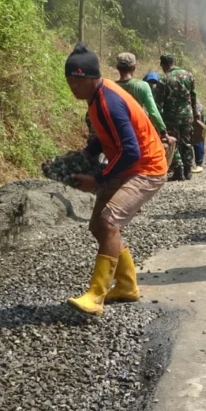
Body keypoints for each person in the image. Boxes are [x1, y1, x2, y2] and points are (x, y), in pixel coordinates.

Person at [64, 43, 169, 316]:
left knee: (109, 221)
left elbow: (131, 150)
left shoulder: (109, 101)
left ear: (92, 77)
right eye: (69, 81)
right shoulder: (96, 99)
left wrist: (98, 178)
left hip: (147, 168)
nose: (73, 86)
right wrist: (87, 154)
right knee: (98, 227)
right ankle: (126, 286)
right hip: (126, 165)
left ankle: (96, 295)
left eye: (78, 80)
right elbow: (104, 135)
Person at [157, 53, 199, 181]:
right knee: (187, 141)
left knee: (172, 141)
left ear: (163, 65)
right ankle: (188, 170)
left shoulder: (164, 79)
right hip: (187, 114)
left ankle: (179, 169)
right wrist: (195, 112)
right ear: (173, 62)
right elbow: (193, 96)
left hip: (171, 115)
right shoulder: (188, 75)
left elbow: (160, 101)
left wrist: (158, 119)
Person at [115, 53, 167, 138]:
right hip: (136, 132)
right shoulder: (142, 86)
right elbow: (153, 111)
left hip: (117, 131)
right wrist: (163, 132)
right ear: (134, 67)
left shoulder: (112, 87)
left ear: (117, 68)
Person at [192, 100, 206, 174]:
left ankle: (199, 163)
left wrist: (197, 113)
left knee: (197, 136)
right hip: (184, 110)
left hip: (195, 110)